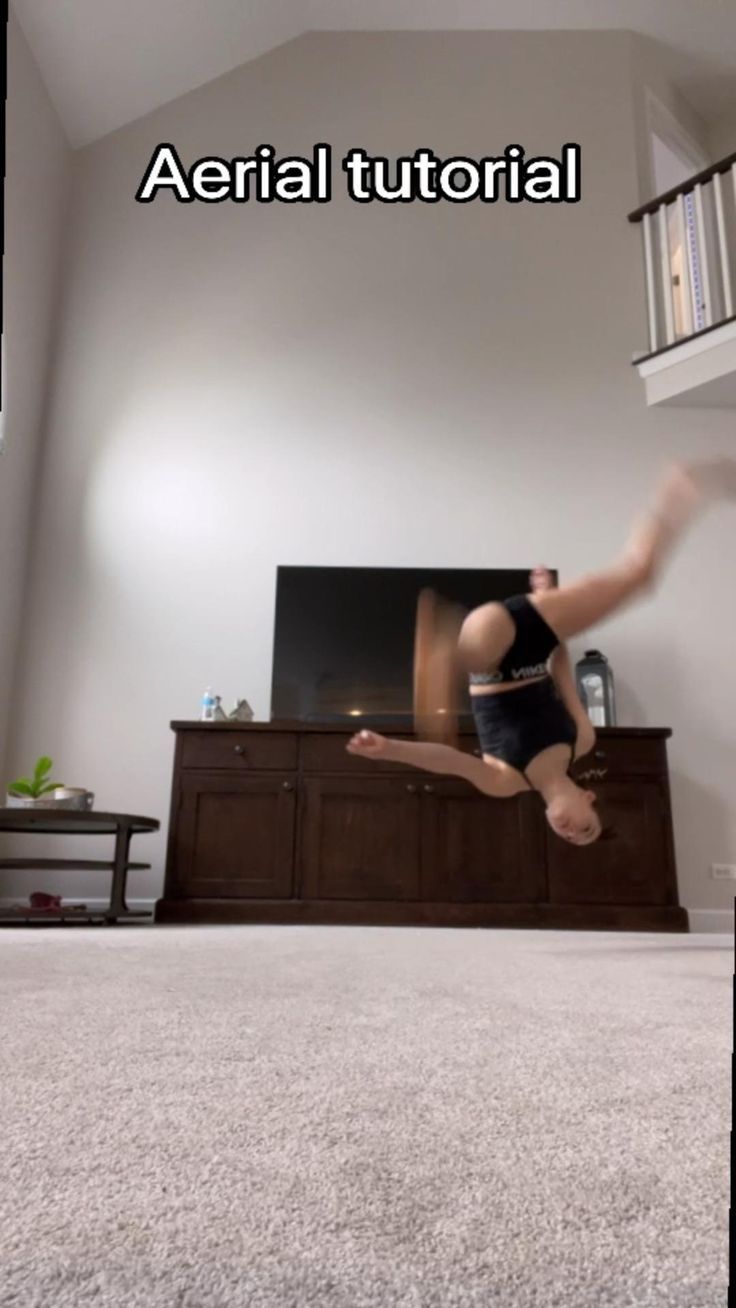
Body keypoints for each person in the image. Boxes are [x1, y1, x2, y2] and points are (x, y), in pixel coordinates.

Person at [347, 459, 735, 846]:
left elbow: (448, 761)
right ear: (589, 798)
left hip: (489, 652)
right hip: (530, 635)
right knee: (639, 576)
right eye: (587, 827)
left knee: (479, 653)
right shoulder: (581, 741)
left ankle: (450, 653)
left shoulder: (506, 782)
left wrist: (389, 749)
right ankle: (682, 488)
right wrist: (549, 602)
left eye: (569, 837)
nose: (571, 831)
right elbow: (562, 673)